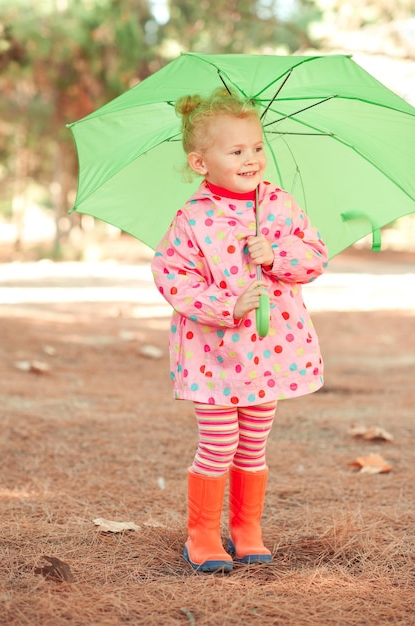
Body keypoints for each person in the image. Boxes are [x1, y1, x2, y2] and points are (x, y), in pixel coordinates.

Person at [151, 88, 328, 573]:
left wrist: (277, 255)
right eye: (236, 151)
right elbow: (172, 276)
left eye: (256, 147)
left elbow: (315, 255)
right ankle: (202, 534)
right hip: (213, 354)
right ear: (200, 161)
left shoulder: (280, 205)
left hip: (271, 350)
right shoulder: (193, 218)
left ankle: (247, 528)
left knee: (253, 442)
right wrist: (229, 303)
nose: (251, 158)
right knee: (219, 442)